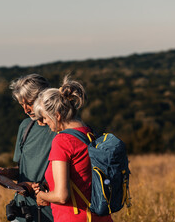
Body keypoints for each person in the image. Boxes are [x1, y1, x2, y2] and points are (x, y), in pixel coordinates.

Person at [31, 75, 113, 222]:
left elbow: (62, 196)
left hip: (74, 217)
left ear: (57, 116)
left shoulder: (62, 141)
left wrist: (41, 196)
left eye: (44, 117)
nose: (43, 121)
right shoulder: (88, 133)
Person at [0, 74, 56, 222]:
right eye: (21, 105)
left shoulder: (60, 129)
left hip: (50, 213)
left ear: (43, 98)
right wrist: (6, 174)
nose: (25, 109)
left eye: (29, 103)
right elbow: (21, 171)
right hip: (22, 211)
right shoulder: (25, 127)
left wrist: (36, 187)